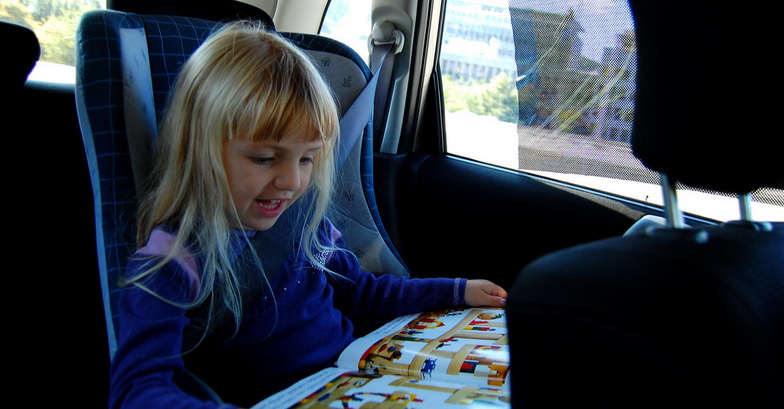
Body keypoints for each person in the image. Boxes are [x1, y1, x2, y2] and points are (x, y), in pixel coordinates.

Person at [108, 22, 507, 409]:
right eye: (265, 158)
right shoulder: (176, 261)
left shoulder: (304, 226)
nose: (292, 181)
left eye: (308, 159)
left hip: (359, 378)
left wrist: (457, 291)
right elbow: (137, 389)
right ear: (200, 150)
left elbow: (363, 293)